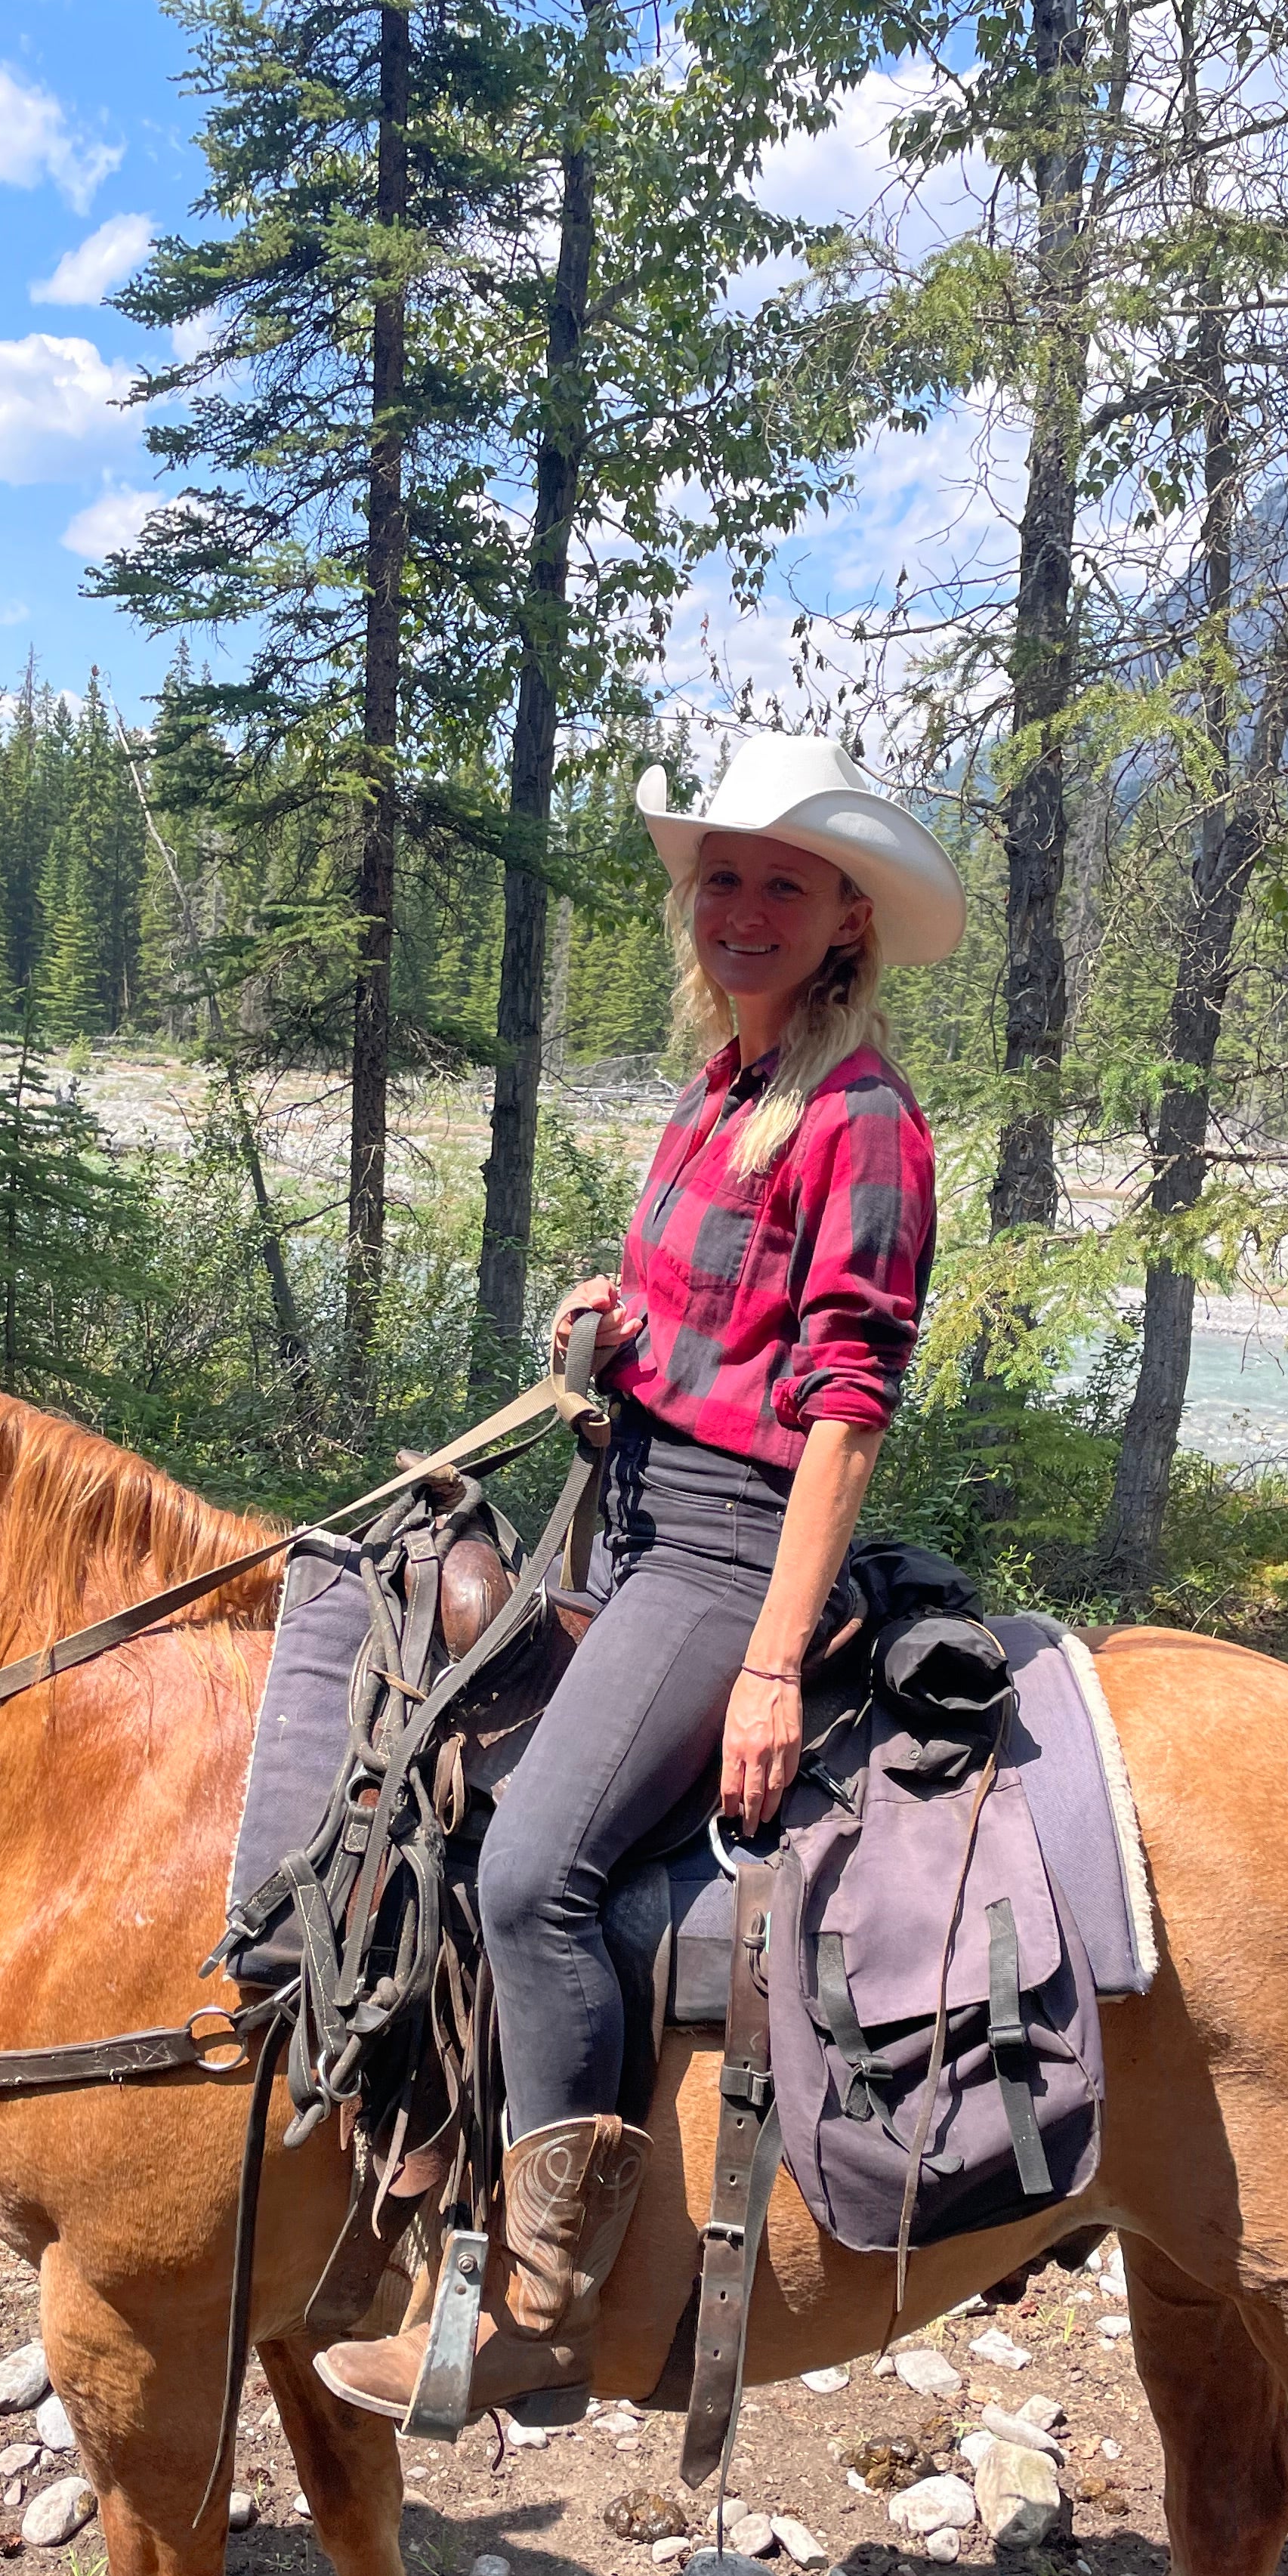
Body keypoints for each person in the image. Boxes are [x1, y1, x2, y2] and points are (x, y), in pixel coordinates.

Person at [316, 734, 962, 2426]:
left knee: (536, 1872)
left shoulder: (860, 1118)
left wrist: (765, 1662)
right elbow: (720, 1331)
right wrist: (616, 1325)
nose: (741, 910)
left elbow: (839, 1414)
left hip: (737, 1542)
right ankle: (438, 2174)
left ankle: (539, 2314)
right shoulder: (725, 1089)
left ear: (843, 920)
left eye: (782, 884)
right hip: (642, 1505)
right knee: (432, 1759)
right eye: (721, 880)